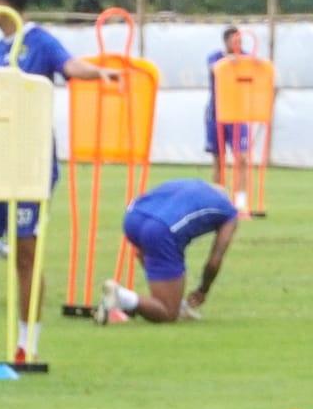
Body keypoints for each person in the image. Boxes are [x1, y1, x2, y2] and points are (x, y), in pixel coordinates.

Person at [0, 0, 117, 363]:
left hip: (28, 165)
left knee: (25, 252)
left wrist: (97, 73)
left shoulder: (38, 42)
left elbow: (70, 66)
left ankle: (27, 343)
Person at [94, 179, 238, 324]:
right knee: (169, 312)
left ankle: (164, 300)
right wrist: (203, 290)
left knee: (157, 259)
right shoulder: (228, 211)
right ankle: (121, 297)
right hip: (161, 230)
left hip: (133, 217)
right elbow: (214, 261)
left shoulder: (192, 183)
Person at [204, 25, 250, 186]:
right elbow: (214, 68)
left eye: (240, 41)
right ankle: (219, 199)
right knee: (218, 159)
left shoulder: (246, 57)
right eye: (235, 41)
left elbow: (256, 69)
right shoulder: (215, 57)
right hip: (217, 112)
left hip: (238, 113)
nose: (238, 44)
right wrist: (228, 62)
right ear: (226, 42)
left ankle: (241, 201)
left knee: (242, 158)